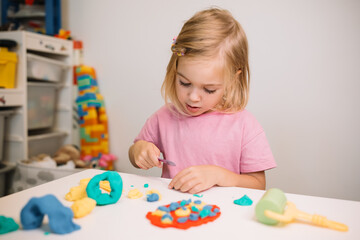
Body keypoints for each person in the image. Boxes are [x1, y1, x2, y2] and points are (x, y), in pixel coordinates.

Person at [128, 7, 276, 194]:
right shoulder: (163, 117)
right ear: (175, 67)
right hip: (172, 214)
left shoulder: (245, 125)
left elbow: (258, 185)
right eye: (184, 82)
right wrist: (140, 151)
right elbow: (134, 154)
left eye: (209, 89)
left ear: (232, 79)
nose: (193, 97)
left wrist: (218, 175)